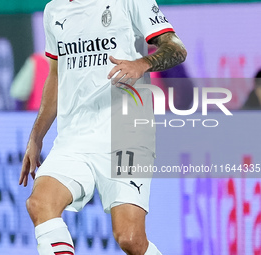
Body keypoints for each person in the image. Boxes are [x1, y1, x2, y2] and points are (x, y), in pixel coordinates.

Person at [18, 0, 187, 254]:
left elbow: (176, 48)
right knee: (40, 203)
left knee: (130, 239)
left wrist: (142, 64)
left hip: (127, 134)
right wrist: (36, 136)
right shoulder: (54, 10)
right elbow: (55, 76)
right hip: (74, 137)